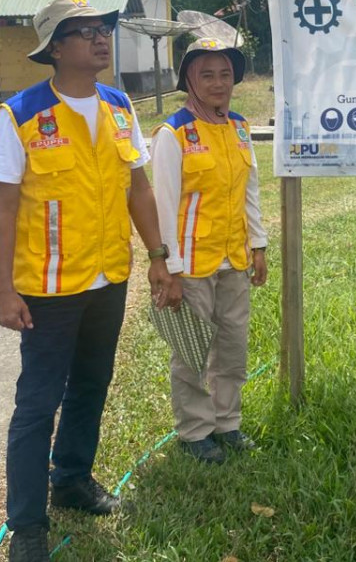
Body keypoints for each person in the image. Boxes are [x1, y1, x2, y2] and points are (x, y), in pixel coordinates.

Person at [0, 0, 179, 562]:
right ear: (55, 48)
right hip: (48, 289)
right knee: (37, 404)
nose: (100, 39)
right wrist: (4, 291)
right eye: (85, 31)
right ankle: (27, 526)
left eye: (103, 29)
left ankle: (71, 479)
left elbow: (138, 188)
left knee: (91, 385)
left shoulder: (119, 106)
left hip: (108, 277)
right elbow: (2, 208)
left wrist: (158, 256)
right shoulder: (20, 115)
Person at [151, 37, 268, 464]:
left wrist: (258, 244)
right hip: (191, 264)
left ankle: (227, 423)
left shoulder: (239, 127)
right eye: (207, 75)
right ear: (189, 80)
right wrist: (170, 267)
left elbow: (249, 190)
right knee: (192, 352)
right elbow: (164, 205)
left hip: (234, 258)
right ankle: (195, 431)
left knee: (233, 346)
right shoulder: (173, 134)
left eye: (225, 74)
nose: (218, 83)